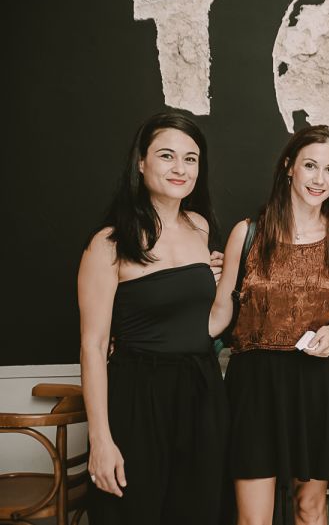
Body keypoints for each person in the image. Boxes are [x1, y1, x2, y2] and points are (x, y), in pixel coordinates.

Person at [209, 125, 329, 525]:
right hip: (254, 384)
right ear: (289, 167)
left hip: (314, 383)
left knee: (310, 509)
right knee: (253, 518)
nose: (319, 179)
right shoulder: (248, 233)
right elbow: (220, 311)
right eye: (310, 166)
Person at [78, 112, 227, 525]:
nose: (180, 168)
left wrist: (220, 279)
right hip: (138, 399)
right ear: (141, 163)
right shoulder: (109, 243)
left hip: (202, 394)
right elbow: (93, 346)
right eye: (166, 156)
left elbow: (207, 322)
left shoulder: (201, 228)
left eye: (191, 159)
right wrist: (100, 440)